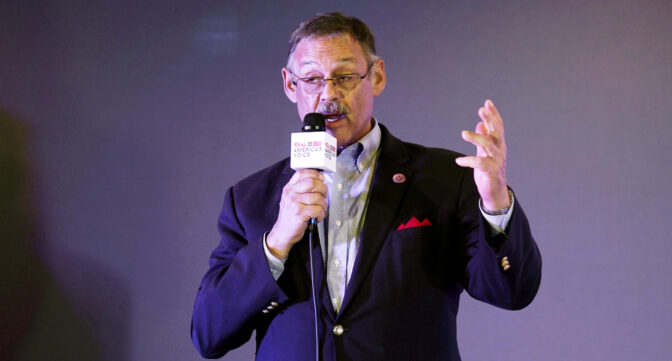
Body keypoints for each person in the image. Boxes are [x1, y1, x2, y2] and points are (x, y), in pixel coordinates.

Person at [191, 12, 541, 361]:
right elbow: (209, 335)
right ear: (289, 84)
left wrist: (496, 202)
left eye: (344, 76)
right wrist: (277, 243)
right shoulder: (250, 199)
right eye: (312, 78)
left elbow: (512, 292)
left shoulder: (448, 178)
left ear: (376, 77)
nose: (328, 93)